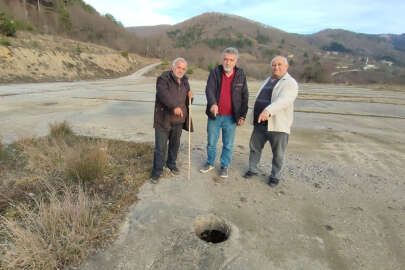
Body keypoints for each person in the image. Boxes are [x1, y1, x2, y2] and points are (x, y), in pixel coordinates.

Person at [243, 56, 298, 187]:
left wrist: (268, 111)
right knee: (255, 148)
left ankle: (275, 176)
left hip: (277, 124)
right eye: (274, 65)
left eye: (279, 64)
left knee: (278, 153)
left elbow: (284, 100)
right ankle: (252, 169)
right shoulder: (268, 80)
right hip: (260, 122)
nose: (276, 67)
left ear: (286, 67)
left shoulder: (290, 83)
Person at [200, 47, 249, 178]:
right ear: (222, 60)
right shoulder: (215, 72)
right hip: (215, 116)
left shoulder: (241, 75)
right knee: (211, 142)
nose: (228, 62)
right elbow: (209, 90)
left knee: (228, 144)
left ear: (235, 61)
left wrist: (242, 115)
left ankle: (224, 166)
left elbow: (245, 97)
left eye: (231, 60)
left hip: (231, 117)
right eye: (226, 59)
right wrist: (213, 104)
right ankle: (210, 163)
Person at [151, 57, 193, 183]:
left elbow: (188, 102)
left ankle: (171, 164)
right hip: (164, 119)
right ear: (173, 67)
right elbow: (163, 95)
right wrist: (174, 106)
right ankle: (157, 172)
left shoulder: (185, 81)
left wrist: (191, 97)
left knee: (175, 145)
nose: (181, 70)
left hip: (179, 120)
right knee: (160, 147)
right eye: (178, 67)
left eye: (183, 68)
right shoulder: (163, 79)